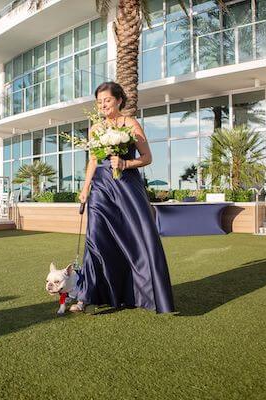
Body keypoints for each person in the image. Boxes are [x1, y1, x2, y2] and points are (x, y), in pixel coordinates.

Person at [70, 81, 175, 314]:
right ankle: (87, 295)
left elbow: (147, 157)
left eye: (107, 100)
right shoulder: (95, 129)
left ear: (118, 100)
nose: (103, 105)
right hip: (101, 188)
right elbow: (94, 161)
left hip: (127, 187)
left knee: (136, 236)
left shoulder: (131, 124)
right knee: (96, 237)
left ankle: (140, 293)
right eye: (99, 102)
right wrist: (85, 188)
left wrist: (126, 163)